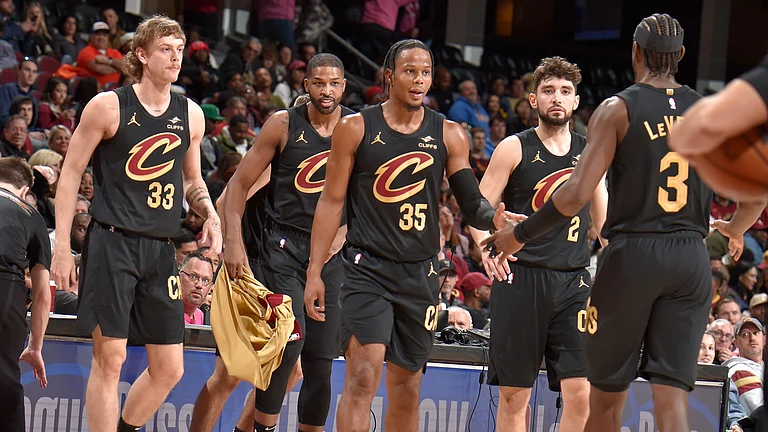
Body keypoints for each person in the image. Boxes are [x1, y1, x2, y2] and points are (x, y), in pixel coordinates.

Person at [481, 14, 765, 432]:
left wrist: (517, 235)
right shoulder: (708, 110)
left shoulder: (618, 108)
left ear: (634, 52)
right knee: (672, 403)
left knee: (605, 400)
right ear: (682, 55)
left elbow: (577, 195)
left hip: (633, 253)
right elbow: (757, 192)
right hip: (691, 258)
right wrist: (737, 228)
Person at [303, 39, 516, 431]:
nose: (419, 80)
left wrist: (494, 218)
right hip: (367, 270)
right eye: (410, 71)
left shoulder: (450, 133)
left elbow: (471, 201)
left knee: (407, 388)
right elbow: (331, 203)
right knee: (362, 376)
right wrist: (315, 270)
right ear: (389, 76)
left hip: (419, 275)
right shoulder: (355, 127)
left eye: (426, 73)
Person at [50, 16, 222, 432]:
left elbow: (192, 179)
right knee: (110, 359)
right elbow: (71, 173)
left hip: (161, 248)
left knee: (169, 368)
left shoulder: (191, 114)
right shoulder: (108, 106)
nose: (176, 57)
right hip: (113, 242)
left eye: (180, 48)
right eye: (166, 48)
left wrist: (211, 214)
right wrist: (59, 247)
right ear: (141, 55)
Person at [191, 54, 352, 432]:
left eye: (333, 85)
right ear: (306, 87)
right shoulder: (280, 140)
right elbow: (227, 197)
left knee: (300, 364)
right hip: (263, 260)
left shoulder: (351, 135)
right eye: (317, 84)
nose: (325, 92)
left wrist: (341, 235)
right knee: (233, 372)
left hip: (316, 259)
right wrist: (231, 243)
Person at [470, 56, 608, 432]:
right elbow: (478, 209)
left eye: (565, 92)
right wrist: (486, 250)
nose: (557, 98)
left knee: (582, 394)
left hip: (574, 283)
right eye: (548, 91)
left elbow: (605, 225)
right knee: (516, 398)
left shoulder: (591, 152)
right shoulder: (513, 148)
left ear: (577, 102)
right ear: (533, 100)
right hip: (521, 280)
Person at [0, 157, 51, 431]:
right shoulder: (31, 215)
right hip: (5, 284)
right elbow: (43, 294)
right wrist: (35, 346)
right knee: (4, 381)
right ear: (24, 191)